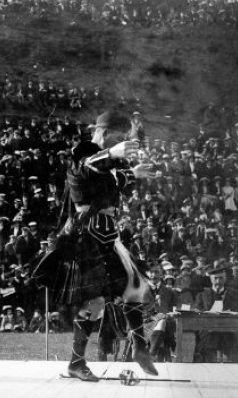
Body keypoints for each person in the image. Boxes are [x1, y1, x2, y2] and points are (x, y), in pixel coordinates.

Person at [32, 111, 159, 381]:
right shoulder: (82, 158)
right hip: (85, 237)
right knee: (95, 301)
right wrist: (113, 154)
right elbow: (87, 168)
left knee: (136, 289)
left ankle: (139, 347)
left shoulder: (107, 167)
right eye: (119, 137)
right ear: (103, 132)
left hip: (109, 237)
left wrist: (131, 173)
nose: (124, 141)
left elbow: (109, 184)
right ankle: (76, 363)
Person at [192, 267, 238, 363]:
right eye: (215, 278)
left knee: (237, 340)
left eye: (221, 278)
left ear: (225, 279)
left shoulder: (233, 295)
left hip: (229, 330)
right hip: (208, 330)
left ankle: (236, 369)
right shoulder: (202, 295)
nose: (218, 281)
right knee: (208, 340)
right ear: (211, 279)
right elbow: (197, 313)